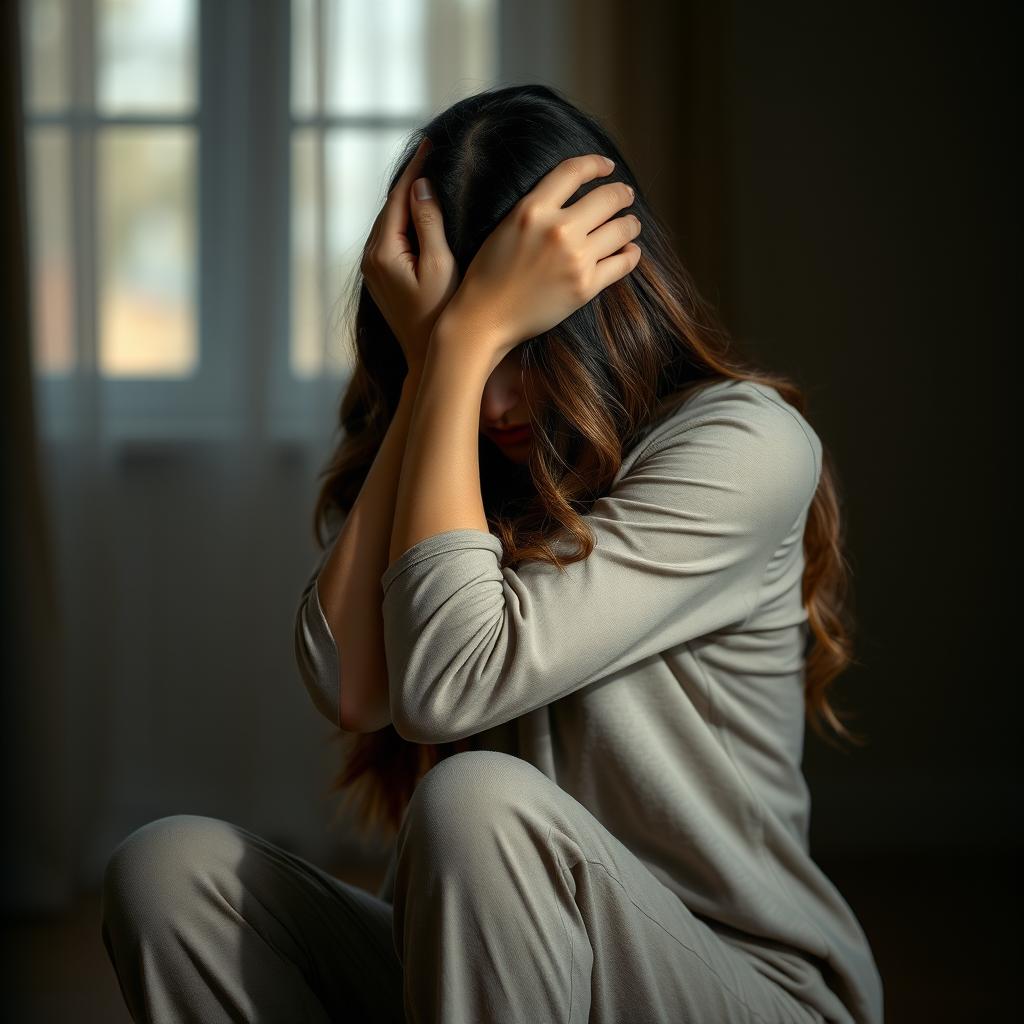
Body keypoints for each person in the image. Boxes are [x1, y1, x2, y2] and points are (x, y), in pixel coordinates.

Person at [101, 83, 884, 1023]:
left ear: (597, 308)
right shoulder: (465, 441)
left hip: (739, 988)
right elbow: (355, 686)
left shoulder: (745, 445)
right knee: (167, 874)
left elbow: (450, 686)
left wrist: (467, 336)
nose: (497, 404)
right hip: (502, 959)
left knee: (474, 803)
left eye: (530, 344)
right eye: (471, 352)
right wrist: (443, 363)